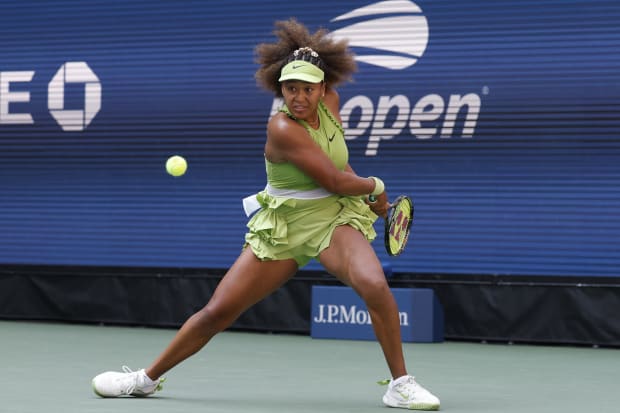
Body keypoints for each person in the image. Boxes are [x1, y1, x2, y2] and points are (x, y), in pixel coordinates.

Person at [91, 18, 440, 411]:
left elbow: (339, 168)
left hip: (332, 220)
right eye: (291, 88)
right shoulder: (282, 129)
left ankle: (400, 383)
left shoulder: (331, 104)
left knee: (374, 285)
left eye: (308, 88)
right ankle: (144, 379)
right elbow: (333, 179)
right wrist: (375, 188)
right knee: (217, 312)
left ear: (323, 88)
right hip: (284, 227)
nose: (299, 97)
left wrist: (366, 197)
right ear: (281, 89)